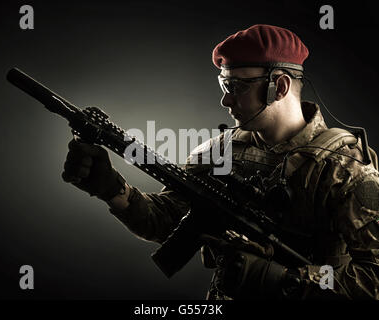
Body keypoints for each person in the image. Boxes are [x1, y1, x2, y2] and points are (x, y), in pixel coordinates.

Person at [61, 24, 379, 299]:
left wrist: (286, 280)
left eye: (236, 86)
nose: (225, 100)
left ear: (279, 86)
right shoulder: (220, 150)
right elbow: (170, 222)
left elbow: (374, 278)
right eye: (223, 85)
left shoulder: (344, 166)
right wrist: (113, 191)